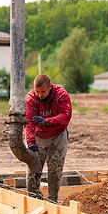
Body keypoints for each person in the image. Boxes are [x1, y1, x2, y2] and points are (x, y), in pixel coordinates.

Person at [24, 73, 72, 202]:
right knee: (33, 168)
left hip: (57, 136)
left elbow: (65, 116)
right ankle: (33, 199)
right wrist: (31, 142)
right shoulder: (30, 98)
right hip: (39, 137)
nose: (40, 94)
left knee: (55, 170)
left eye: (43, 91)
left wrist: (47, 121)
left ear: (50, 87)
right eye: (37, 91)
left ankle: (52, 200)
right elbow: (29, 122)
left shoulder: (61, 95)